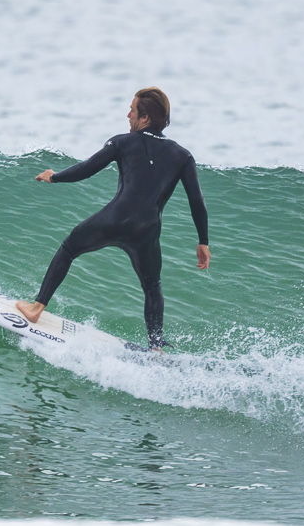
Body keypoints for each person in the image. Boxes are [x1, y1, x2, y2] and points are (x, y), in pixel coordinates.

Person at [16, 87, 210, 349]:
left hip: (115, 219)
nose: (127, 114)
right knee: (152, 285)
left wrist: (54, 176)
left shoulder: (121, 142)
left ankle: (36, 308)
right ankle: (156, 347)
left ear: (144, 118)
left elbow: (87, 168)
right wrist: (203, 241)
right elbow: (196, 201)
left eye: (132, 110)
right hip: (147, 231)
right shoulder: (183, 155)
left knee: (69, 248)